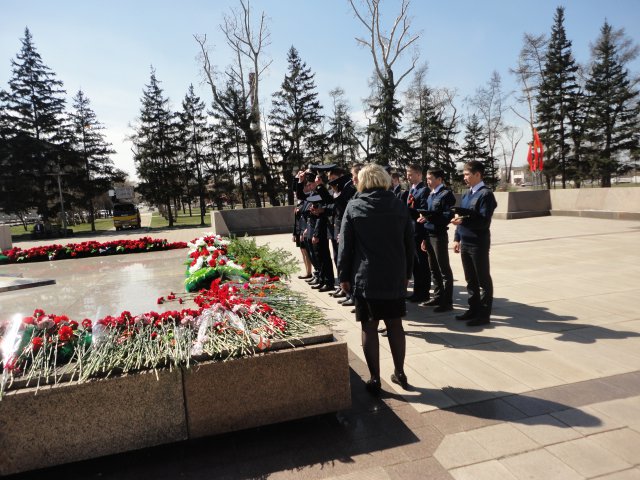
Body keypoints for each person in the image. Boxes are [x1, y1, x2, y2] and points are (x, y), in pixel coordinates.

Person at [338, 164, 414, 394]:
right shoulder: (398, 204)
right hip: (393, 276)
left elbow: (345, 247)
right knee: (395, 324)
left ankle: (374, 379)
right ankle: (400, 372)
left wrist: (343, 275)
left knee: (369, 327)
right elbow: (409, 244)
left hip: (366, 277)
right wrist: (406, 274)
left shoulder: (354, 206)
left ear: (362, 182)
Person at [451, 160, 498, 327]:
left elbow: (484, 222)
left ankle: (484, 315)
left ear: (478, 174)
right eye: (464, 174)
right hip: (466, 242)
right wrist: (457, 238)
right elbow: (460, 217)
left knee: (483, 279)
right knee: (470, 279)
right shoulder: (466, 194)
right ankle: (473, 309)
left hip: (478, 243)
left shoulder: (486, 195)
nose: (464, 177)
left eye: (467, 174)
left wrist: (463, 222)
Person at [418, 168, 456, 312]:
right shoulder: (431, 195)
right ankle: (438, 296)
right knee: (433, 268)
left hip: (439, 235)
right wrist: (424, 237)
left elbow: (447, 216)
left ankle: (447, 302)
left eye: (430, 178)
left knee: (443, 268)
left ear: (439, 179)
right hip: (429, 235)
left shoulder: (446, 195)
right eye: (427, 178)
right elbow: (428, 213)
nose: (427, 181)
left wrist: (429, 218)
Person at [405, 164, 431, 303]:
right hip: (411, 231)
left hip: (420, 231)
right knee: (414, 264)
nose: (408, 176)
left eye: (410, 174)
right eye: (407, 174)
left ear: (419, 175)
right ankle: (417, 292)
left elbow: (423, 210)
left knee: (422, 265)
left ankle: (424, 293)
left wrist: (406, 210)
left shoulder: (424, 190)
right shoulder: (411, 189)